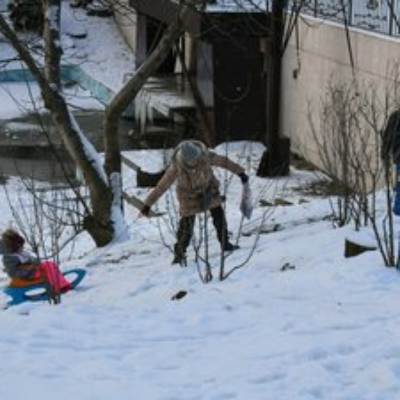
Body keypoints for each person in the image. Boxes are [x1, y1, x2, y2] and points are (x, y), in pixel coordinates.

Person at [140, 139, 249, 265]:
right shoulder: (176, 167)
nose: (196, 162)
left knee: (219, 216)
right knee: (186, 227)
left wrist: (240, 172)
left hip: (208, 190)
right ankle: (179, 254)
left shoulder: (205, 156)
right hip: (188, 197)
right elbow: (161, 187)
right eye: (192, 161)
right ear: (185, 160)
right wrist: (147, 204)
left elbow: (224, 161)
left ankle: (225, 244)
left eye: (197, 159)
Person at [0, 228, 72, 292]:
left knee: (50, 264)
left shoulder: (19, 253)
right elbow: (13, 273)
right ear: (14, 247)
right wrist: (29, 269)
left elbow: (32, 260)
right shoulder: (9, 258)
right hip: (26, 276)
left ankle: (60, 282)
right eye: (21, 246)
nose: (22, 248)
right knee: (49, 268)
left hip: (32, 271)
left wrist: (36, 263)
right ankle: (59, 287)